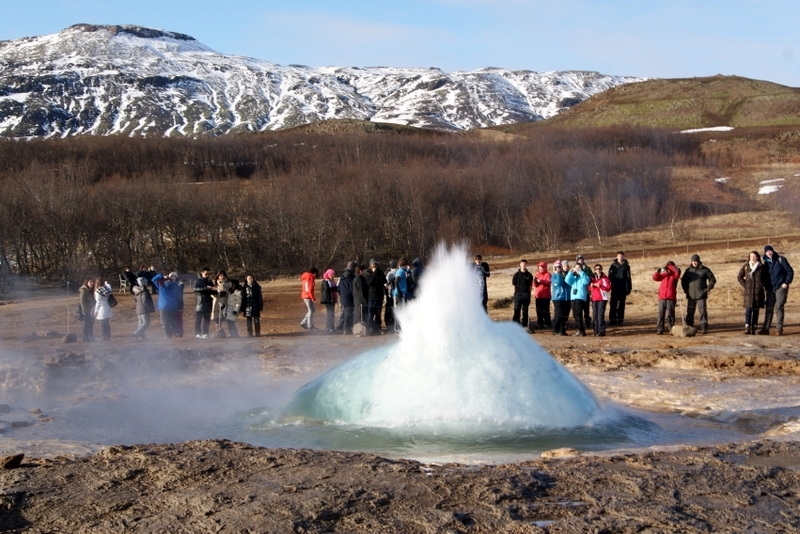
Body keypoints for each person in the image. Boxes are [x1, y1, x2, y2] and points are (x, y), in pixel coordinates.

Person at [760, 245, 793, 335]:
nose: (769, 253)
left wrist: (786, 283)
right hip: (770, 289)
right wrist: (765, 286)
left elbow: (789, 271)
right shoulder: (765, 263)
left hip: (780, 287)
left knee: (779, 307)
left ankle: (779, 329)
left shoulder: (780, 260)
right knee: (769, 308)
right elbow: (764, 277)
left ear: (773, 251)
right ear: (765, 253)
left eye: (770, 251)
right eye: (767, 251)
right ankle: (766, 329)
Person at [681, 254, 716, 334]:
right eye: (693, 261)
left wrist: (708, 289)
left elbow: (712, 280)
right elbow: (683, 281)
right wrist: (686, 290)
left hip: (701, 295)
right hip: (691, 295)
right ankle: (689, 327)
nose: (694, 263)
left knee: (702, 311)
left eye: (696, 261)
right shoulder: (688, 270)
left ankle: (704, 326)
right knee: (690, 312)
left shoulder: (705, 270)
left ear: (699, 261)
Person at [737, 251, 768, 335]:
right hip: (748, 292)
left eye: (754, 256)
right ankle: (747, 327)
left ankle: (754, 326)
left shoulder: (762, 267)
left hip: (758, 292)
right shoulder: (746, 266)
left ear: (757, 257)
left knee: (756, 310)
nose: (753, 258)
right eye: (751, 256)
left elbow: (766, 279)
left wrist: (762, 285)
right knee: (748, 310)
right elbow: (739, 277)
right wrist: (745, 285)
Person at [652, 261, 681, 334]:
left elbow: (677, 271)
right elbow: (655, 278)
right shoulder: (664, 274)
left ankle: (671, 329)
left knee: (670, 314)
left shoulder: (674, 275)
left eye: (670, 266)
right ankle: (660, 329)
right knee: (660, 314)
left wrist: (669, 267)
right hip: (662, 297)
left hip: (671, 297)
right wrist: (658, 272)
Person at [153, 271, 182, 338]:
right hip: (173, 306)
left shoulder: (161, 285)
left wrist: (161, 276)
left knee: (164, 321)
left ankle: (167, 334)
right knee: (173, 320)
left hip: (163, 306)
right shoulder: (176, 285)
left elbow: (153, 279)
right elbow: (179, 296)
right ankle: (176, 333)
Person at [565, 262, 591, 336]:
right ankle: (579, 329)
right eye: (576, 268)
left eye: (578, 268)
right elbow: (567, 280)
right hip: (573, 297)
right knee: (575, 314)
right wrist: (570, 272)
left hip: (580, 297)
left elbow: (586, 281)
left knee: (578, 314)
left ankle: (580, 330)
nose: (577, 269)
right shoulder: (574, 278)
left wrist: (581, 272)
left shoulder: (584, 276)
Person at [608, 251, 632, 326]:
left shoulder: (626, 266)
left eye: (621, 256)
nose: (620, 257)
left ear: (623, 257)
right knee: (613, 304)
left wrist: (629, 288)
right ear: (617, 257)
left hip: (623, 288)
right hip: (614, 287)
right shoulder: (613, 265)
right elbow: (609, 276)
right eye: (619, 256)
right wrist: (609, 286)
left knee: (621, 305)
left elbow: (628, 278)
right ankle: (612, 320)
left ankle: (620, 320)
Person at [589, 264, 611, 336]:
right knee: (595, 315)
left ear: (601, 269)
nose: (598, 270)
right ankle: (595, 330)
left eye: (599, 269)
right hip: (594, 298)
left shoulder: (605, 278)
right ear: (594, 270)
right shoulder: (592, 278)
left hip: (602, 298)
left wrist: (600, 286)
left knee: (600, 315)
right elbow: (589, 289)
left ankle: (601, 331)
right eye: (596, 269)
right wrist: (591, 286)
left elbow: (608, 288)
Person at [365, 260, 387, 335]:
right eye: (374, 267)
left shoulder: (379, 272)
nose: (375, 268)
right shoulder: (368, 273)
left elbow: (385, 280)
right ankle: (371, 328)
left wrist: (378, 272)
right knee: (370, 314)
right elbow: (371, 282)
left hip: (379, 296)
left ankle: (378, 328)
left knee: (378, 313)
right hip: (371, 296)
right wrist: (375, 273)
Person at [511, 259, 534, 329]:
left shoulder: (529, 275)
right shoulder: (516, 275)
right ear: (520, 264)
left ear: (527, 265)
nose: (523, 265)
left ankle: (525, 324)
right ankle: (515, 324)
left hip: (526, 294)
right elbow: (514, 285)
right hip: (518, 294)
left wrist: (529, 294)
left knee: (525, 310)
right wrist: (515, 294)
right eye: (522, 264)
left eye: (525, 264)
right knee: (517, 309)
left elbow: (530, 286)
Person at [336, 261, 356, 335]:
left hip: (343, 297)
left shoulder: (341, 276)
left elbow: (338, 288)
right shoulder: (352, 277)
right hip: (349, 297)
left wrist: (341, 294)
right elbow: (352, 288)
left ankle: (341, 326)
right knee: (349, 314)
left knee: (344, 312)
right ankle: (347, 328)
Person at [550, 261, 570, 336]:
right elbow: (559, 283)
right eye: (556, 267)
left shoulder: (564, 275)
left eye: (559, 267)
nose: (558, 268)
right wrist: (558, 274)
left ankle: (562, 330)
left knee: (564, 315)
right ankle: (555, 329)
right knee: (558, 314)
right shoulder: (554, 276)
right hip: (558, 297)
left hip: (566, 297)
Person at [193, 267, 214, 338]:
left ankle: (206, 333)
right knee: (198, 319)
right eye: (206, 274)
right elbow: (195, 289)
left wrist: (214, 289)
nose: (207, 275)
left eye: (209, 274)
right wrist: (205, 288)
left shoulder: (209, 281)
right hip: (200, 302)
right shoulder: (198, 281)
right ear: (202, 273)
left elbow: (212, 289)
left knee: (207, 319)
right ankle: (198, 333)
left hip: (208, 302)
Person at [533, 261, 552, 329]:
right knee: (538, 309)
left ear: (545, 268)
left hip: (545, 295)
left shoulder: (548, 274)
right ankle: (540, 323)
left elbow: (549, 282)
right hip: (538, 295)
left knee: (545, 310)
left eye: (542, 267)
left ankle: (547, 323)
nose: (540, 269)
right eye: (539, 267)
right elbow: (534, 285)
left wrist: (541, 281)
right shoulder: (537, 274)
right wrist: (535, 282)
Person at [575, 255, 592, 326]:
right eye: (579, 260)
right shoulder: (575, 269)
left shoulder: (587, 269)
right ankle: (579, 322)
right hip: (578, 292)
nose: (580, 261)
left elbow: (590, 278)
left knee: (586, 308)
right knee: (578, 308)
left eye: (581, 260)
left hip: (586, 291)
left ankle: (587, 321)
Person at [320, 268, 339, 333]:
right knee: (330, 314)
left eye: (333, 275)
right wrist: (335, 288)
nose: (332, 276)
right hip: (327, 300)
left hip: (332, 299)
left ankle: (331, 327)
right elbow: (327, 290)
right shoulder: (325, 281)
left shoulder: (332, 281)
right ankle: (329, 327)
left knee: (331, 314)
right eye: (331, 275)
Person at [79, 278, 96, 342]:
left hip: (92, 310)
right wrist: (84, 311)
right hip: (87, 310)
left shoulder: (92, 290)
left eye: (93, 282)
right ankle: (85, 337)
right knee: (87, 324)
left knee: (91, 323)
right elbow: (82, 301)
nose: (92, 283)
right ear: (87, 283)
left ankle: (90, 335)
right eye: (90, 282)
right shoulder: (84, 291)